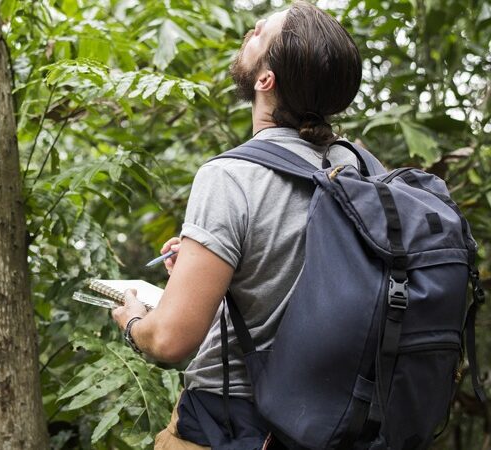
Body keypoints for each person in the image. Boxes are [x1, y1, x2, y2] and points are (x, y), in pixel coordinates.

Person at [111, 2, 366, 448]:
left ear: (266, 80)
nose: (249, 31)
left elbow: (171, 340)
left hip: (234, 423)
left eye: (258, 33)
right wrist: (208, 266)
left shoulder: (230, 176)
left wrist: (134, 322)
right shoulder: (360, 168)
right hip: (337, 418)